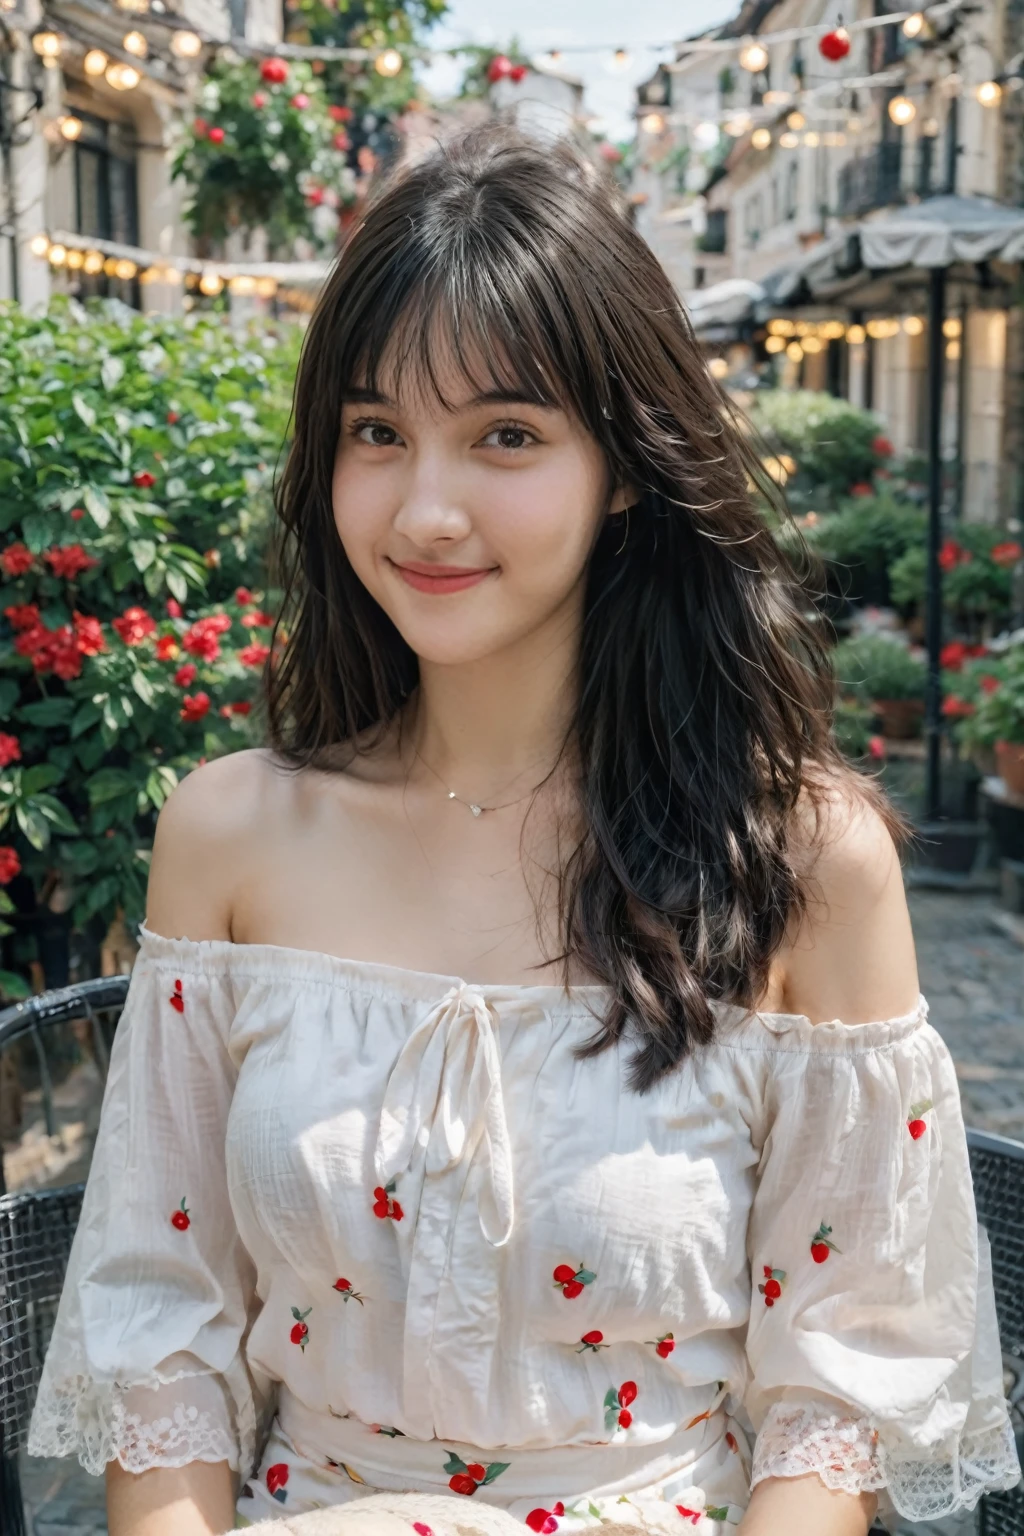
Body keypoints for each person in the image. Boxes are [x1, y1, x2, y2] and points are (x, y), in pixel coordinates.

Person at [28, 126, 1020, 1536]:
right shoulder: (231, 834)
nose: (426, 509)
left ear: (625, 467)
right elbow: (162, 1336)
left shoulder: (803, 863)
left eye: (506, 435)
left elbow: (836, 1394)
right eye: (377, 433)